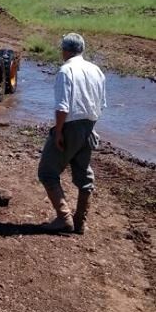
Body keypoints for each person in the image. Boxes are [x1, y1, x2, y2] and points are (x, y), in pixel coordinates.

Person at [38, 32, 106, 234]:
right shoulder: (96, 70)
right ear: (82, 50)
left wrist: (58, 132)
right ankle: (80, 221)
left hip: (70, 127)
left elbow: (62, 107)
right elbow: (101, 105)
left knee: (47, 172)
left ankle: (64, 218)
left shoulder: (66, 71)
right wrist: (89, 128)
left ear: (65, 50)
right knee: (84, 176)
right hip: (89, 126)